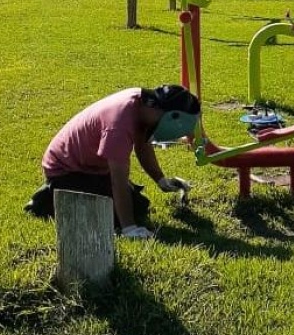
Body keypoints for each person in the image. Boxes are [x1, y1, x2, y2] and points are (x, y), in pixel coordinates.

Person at [25, 85, 200, 239]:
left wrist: (161, 180)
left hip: (92, 168)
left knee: (139, 206)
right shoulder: (119, 125)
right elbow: (119, 181)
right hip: (66, 170)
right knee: (113, 215)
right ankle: (45, 200)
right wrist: (129, 228)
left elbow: (143, 146)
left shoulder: (141, 105)